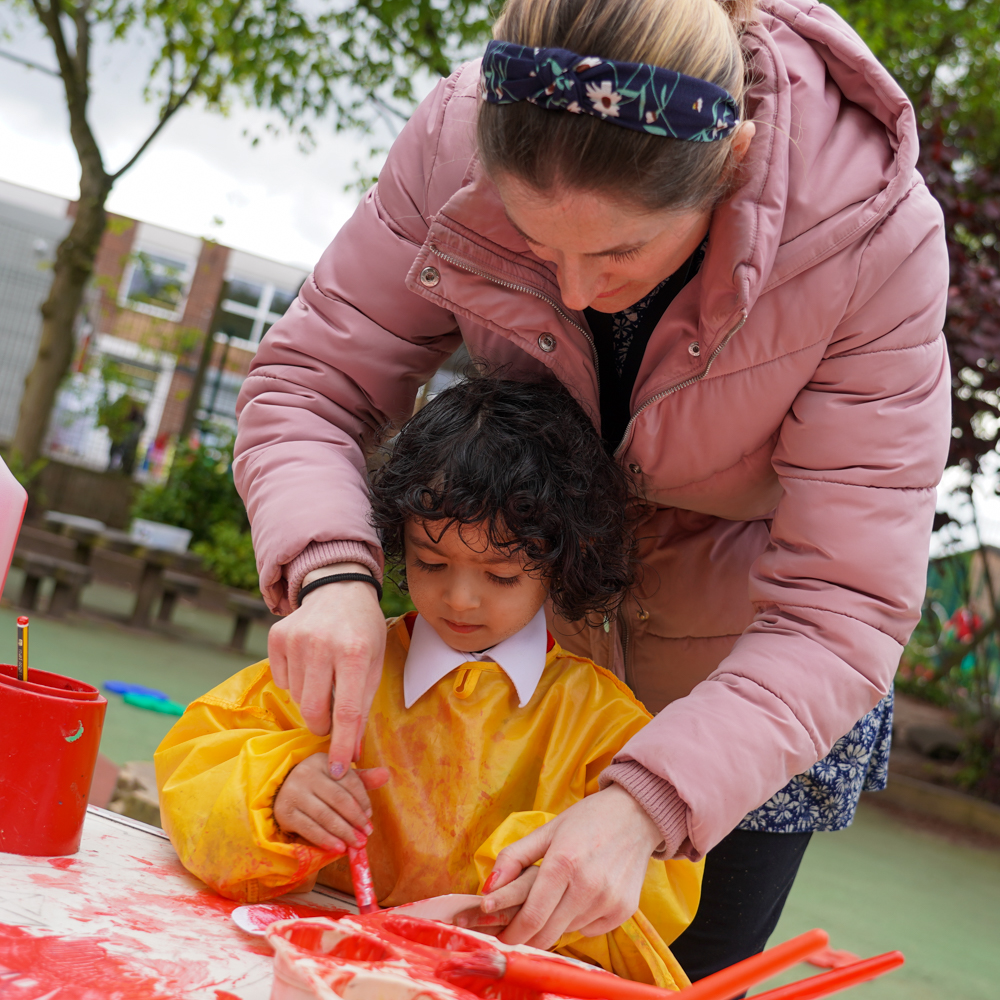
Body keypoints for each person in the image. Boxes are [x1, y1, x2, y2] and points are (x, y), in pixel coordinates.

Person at [233, 0, 950, 979]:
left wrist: (645, 804)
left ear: (732, 163)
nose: (573, 290)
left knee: (680, 967)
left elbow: (843, 602)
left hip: (757, 676)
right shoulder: (453, 140)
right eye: (536, 242)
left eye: (617, 253)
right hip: (543, 648)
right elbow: (311, 384)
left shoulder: (870, 235)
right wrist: (330, 574)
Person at [157, 375, 702, 989]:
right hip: (318, 973)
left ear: (562, 561)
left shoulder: (604, 722)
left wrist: (535, 881)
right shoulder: (342, 661)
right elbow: (195, 764)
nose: (460, 599)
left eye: (500, 576)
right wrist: (275, 789)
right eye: (431, 562)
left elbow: (660, 892)